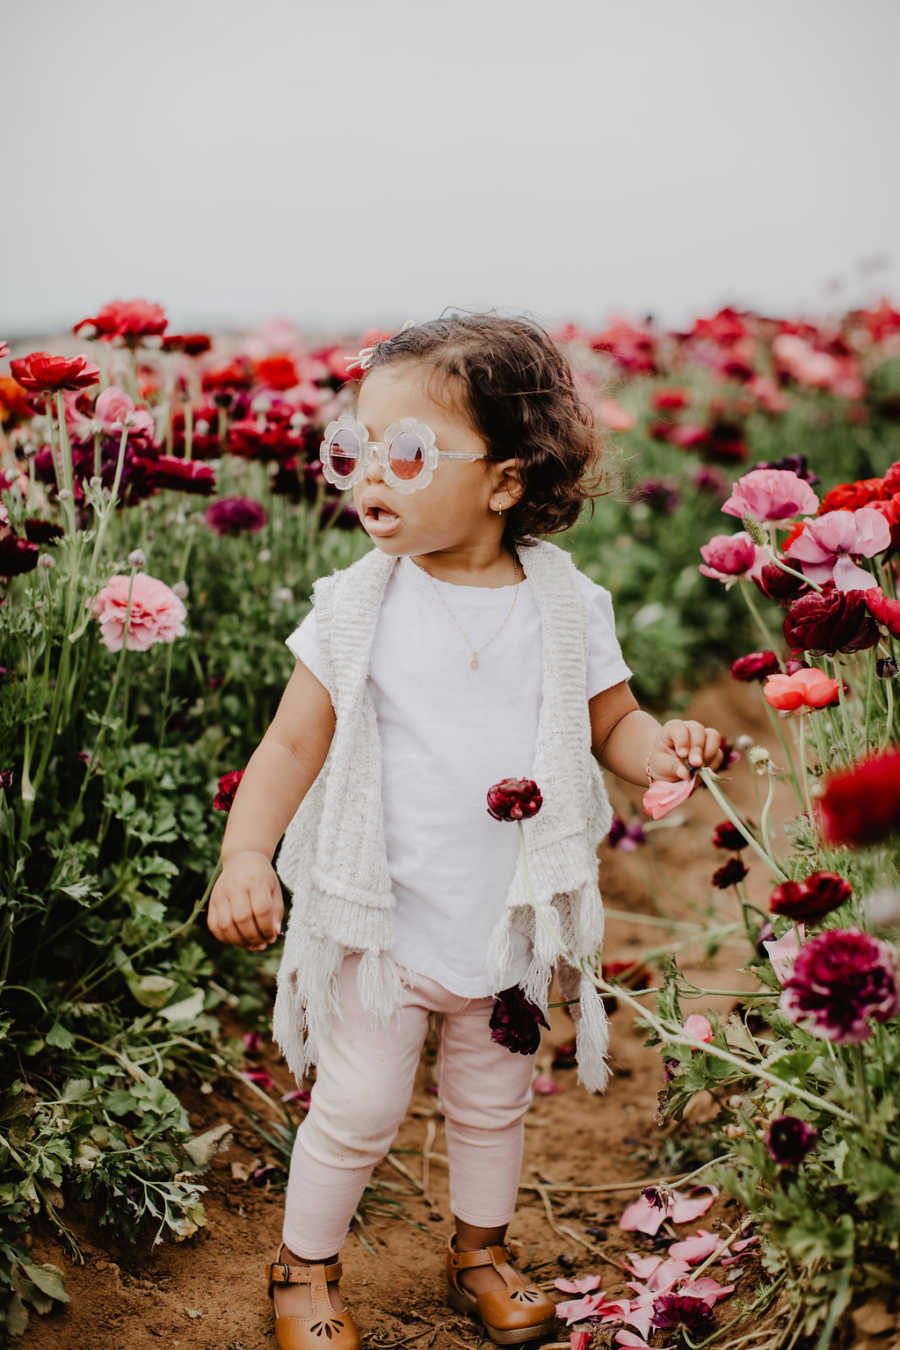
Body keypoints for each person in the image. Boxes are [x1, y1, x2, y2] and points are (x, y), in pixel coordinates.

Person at [206, 313, 725, 1349]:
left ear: (504, 480)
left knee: (494, 1103)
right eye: (351, 451)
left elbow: (610, 724)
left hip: (507, 922)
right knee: (356, 1104)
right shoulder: (356, 609)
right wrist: (245, 855)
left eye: (406, 454)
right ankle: (304, 1268)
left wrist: (663, 749)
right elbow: (289, 746)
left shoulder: (566, 606)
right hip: (380, 918)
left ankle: (479, 1253)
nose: (368, 478)